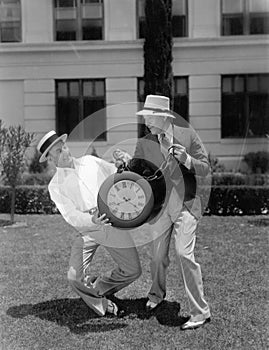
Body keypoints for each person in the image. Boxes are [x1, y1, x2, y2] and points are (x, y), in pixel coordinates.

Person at [116, 95, 211, 330]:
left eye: (149, 117)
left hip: (186, 205)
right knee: (157, 257)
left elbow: (206, 168)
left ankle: (200, 312)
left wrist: (187, 159)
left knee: (184, 253)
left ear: (162, 118)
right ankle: (156, 295)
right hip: (160, 208)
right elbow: (136, 172)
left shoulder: (187, 135)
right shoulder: (145, 142)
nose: (146, 121)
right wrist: (125, 164)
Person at [37, 130, 142, 317]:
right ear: (51, 159)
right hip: (88, 230)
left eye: (65, 147)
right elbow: (71, 215)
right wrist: (90, 220)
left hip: (110, 222)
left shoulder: (90, 161)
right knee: (73, 276)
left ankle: (98, 286)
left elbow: (115, 173)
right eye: (59, 152)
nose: (65, 152)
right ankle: (101, 303)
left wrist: (122, 163)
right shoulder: (55, 186)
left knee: (133, 270)